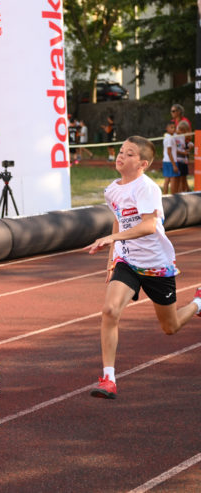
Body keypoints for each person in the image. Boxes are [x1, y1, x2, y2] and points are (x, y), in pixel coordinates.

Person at [84, 136, 201, 400]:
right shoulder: (112, 190)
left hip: (156, 264)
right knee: (110, 310)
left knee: (170, 327)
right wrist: (112, 259)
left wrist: (113, 239)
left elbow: (149, 225)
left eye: (130, 153)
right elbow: (118, 223)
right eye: (121, 151)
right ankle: (109, 378)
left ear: (143, 163)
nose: (121, 156)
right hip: (127, 261)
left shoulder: (147, 188)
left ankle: (197, 303)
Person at [175, 120, 193, 193]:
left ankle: (184, 193)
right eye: (182, 130)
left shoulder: (183, 136)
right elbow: (174, 150)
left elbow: (187, 144)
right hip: (178, 161)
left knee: (184, 178)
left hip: (184, 161)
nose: (183, 133)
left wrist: (189, 148)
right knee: (178, 179)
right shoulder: (175, 136)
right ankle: (180, 194)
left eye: (184, 131)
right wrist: (183, 153)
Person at [162, 120, 179, 195]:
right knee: (172, 180)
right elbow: (169, 152)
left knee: (167, 179)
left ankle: (165, 196)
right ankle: (173, 197)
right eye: (171, 127)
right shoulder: (170, 138)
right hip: (171, 162)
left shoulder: (166, 136)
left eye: (174, 127)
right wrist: (174, 165)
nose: (173, 129)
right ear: (167, 128)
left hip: (166, 161)